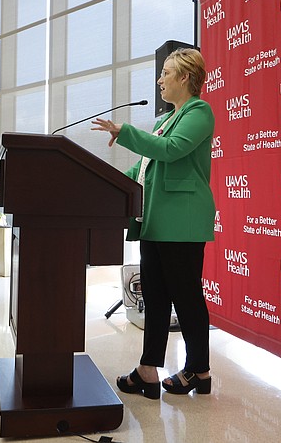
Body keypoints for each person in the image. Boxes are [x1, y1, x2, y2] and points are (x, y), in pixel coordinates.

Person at [92, 48, 215, 399]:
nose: (160, 80)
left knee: (187, 297)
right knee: (156, 298)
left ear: (185, 78)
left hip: (182, 221)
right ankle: (148, 370)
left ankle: (199, 370)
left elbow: (171, 149)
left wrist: (126, 132)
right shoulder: (168, 118)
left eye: (166, 73)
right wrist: (109, 184)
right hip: (156, 221)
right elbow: (145, 169)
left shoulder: (199, 112)